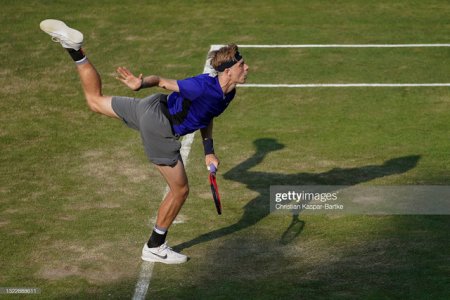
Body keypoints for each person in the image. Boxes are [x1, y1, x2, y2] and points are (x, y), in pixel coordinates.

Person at [39, 19, 249, 264]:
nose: (247, 68)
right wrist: (141, 83)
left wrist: (209, 151)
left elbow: (207, 115)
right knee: (180, 190)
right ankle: (154, 247)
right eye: (242, 65)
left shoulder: (228, 92)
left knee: (95, 101)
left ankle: (74, 50)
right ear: (227, 71)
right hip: (160, 127)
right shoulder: (201, 87)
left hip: (151, 108)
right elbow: (161, 80)